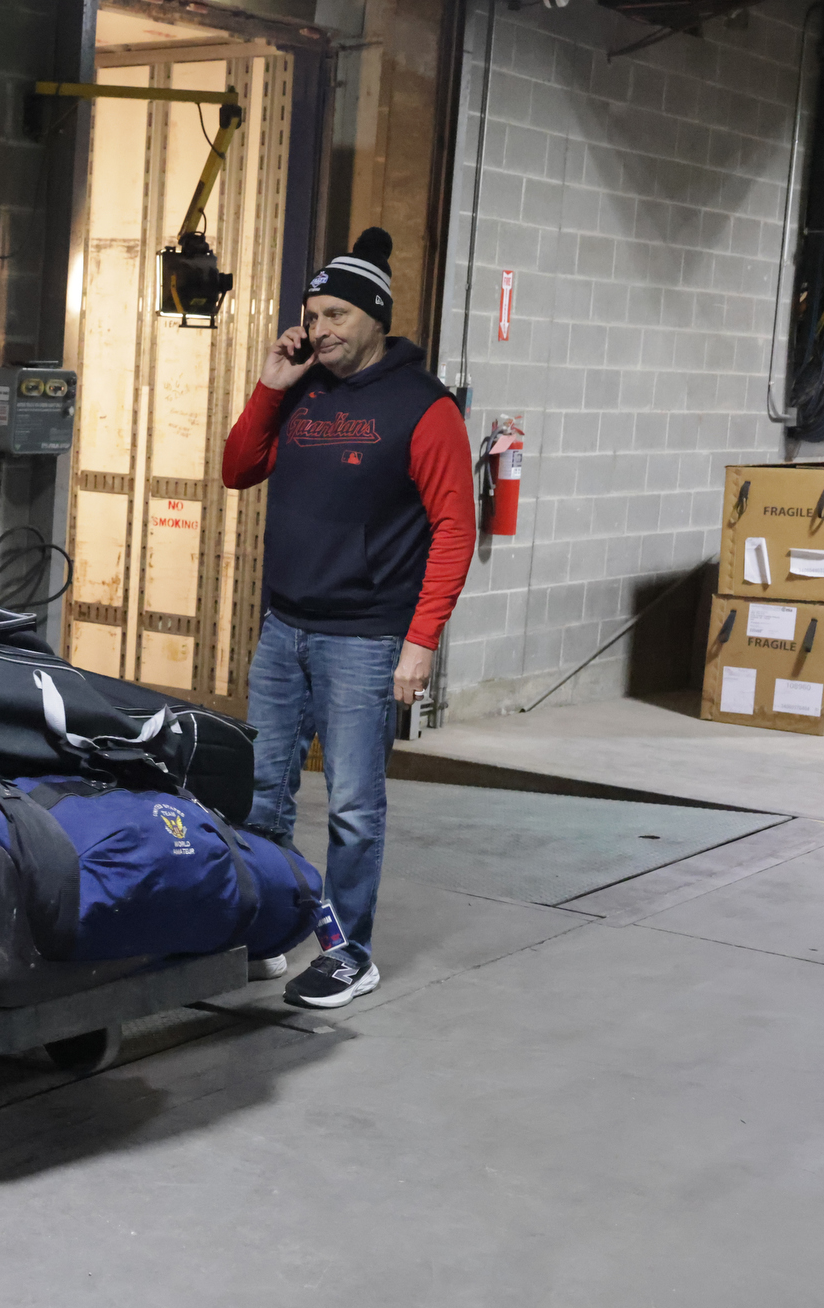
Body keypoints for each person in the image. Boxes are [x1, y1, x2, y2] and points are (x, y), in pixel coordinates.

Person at [219, 227, 476, 1010]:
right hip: (284, 629)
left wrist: (421, 642)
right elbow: (237, 469)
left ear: (375, 317)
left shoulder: (423, 408)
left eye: (336, 314)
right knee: (261, 795)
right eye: (312, 315)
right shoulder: (303, 391)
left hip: (365, 639)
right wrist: (271, 385)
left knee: (354, 808)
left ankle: (350, 953)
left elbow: (455, 528)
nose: (320, 329)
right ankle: (268, 933)